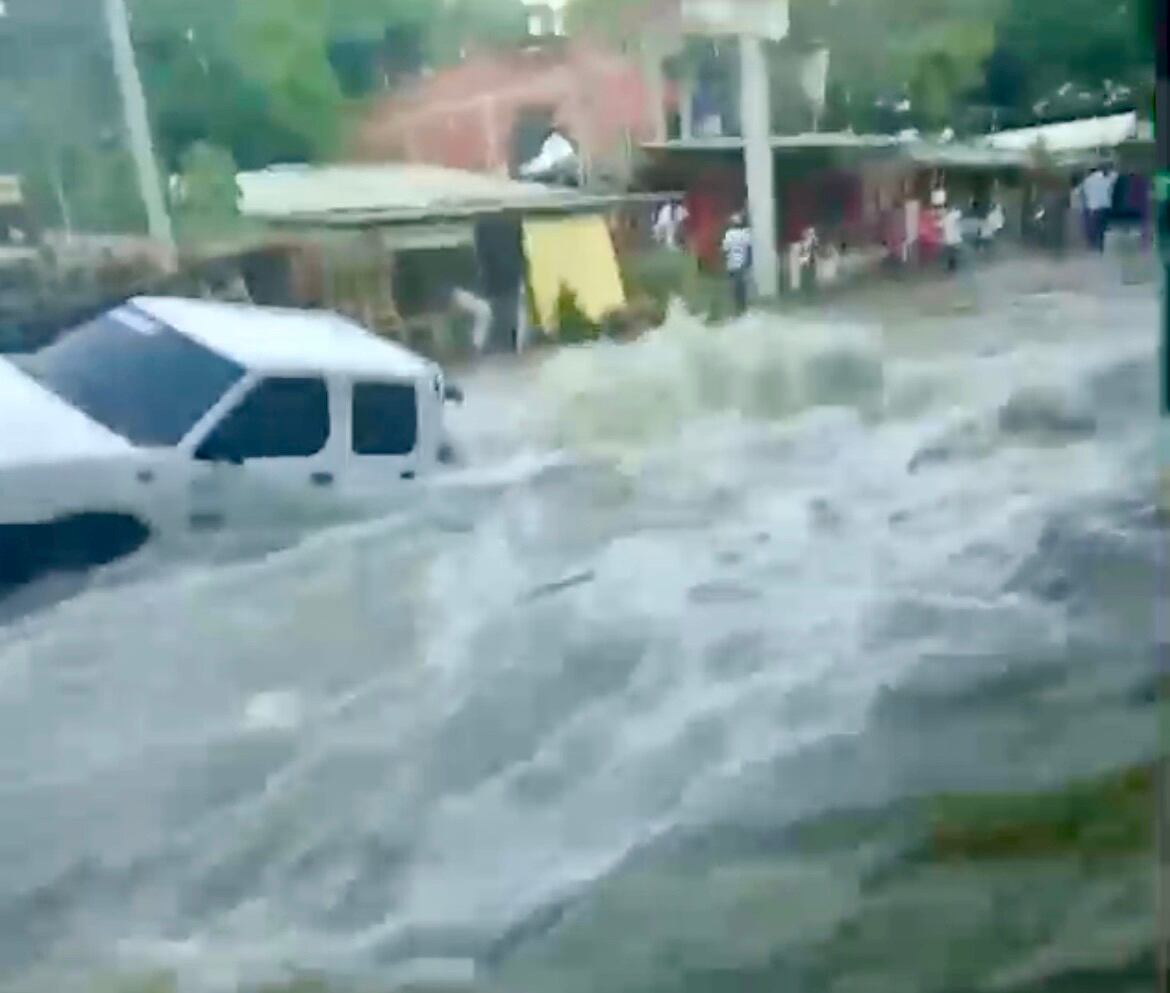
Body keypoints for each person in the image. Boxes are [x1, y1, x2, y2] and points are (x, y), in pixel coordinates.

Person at [1081, 163, 1117, 252]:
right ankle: (1100, 246)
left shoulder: (1088, 180)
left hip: (1096, 208)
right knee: (1102, 228)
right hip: (1103, 207)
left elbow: (1085, 194)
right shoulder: (1107, 179)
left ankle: (1097, 246)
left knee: (1098, 228)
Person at [721, 212, 752, 315]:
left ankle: (735, 308)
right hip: (742, 263)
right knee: (741, 287)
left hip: (731, 263)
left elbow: (725, 249)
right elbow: (749, 248)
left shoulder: (729, 234)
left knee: (733, 286)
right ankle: (742, 307)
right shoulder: (746, 233)